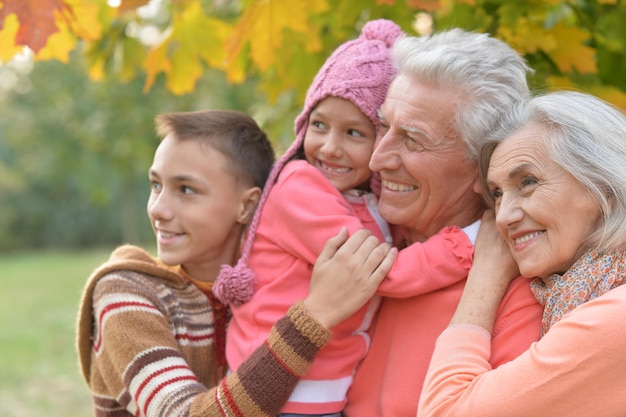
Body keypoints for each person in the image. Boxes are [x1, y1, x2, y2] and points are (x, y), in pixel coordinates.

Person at [215, 20, 476, 416]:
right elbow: (384, 274)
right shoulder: (300, 190)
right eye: (319, 125)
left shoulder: (361, 198)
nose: (330, 148)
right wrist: (468, 242)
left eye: (354, 133)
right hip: (281, 391)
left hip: (324, 393)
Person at [75, 109, 397, 417]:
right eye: (156, 185)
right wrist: (315, 316)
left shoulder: (277, 285)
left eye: (186, 190)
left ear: (247, 205)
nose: (158, 209)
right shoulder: (126, 294)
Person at [343, 28, 545, 417]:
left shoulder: (519, 297)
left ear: (482, 168)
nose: (377, 159)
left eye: (414, 140)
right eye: (383, 127)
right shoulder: (347, 235)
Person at [418, 91, 626, 417]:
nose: (503, 216)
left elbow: (445, 410)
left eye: (528, 182)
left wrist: (485, 276)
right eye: (498, 194)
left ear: (605, 191)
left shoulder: (614, 320)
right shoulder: (573, 296)